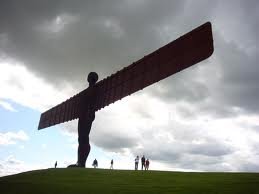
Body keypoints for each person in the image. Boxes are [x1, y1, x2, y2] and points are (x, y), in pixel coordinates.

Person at [76, 72, 98, 168]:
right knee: (81, 138)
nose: (90, 78)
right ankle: (80, 162)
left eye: (91, 77)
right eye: (89, 76)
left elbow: (93, 102)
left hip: (88, 114)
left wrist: (90, 112)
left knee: (84, 137)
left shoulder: (96, 89)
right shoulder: (86, 91)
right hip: (83, 115)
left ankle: (82, 162)